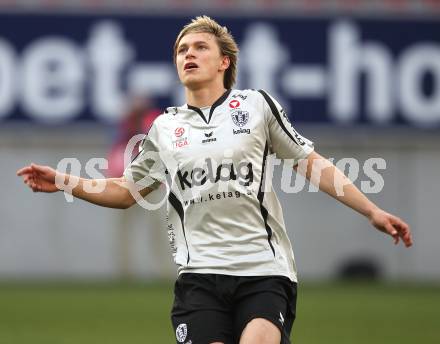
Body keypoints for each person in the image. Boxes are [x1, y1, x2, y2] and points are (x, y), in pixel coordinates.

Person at [17, 16, 412, 344]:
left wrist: (372, 211)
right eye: (181, 50)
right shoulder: (164, 128)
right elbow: (126, 191)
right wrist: (66, 181)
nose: (188, 54)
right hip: (199, 276)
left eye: (199, 47)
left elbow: (310, 163)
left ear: (224, 61)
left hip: (263, 269)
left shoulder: (256, 106)